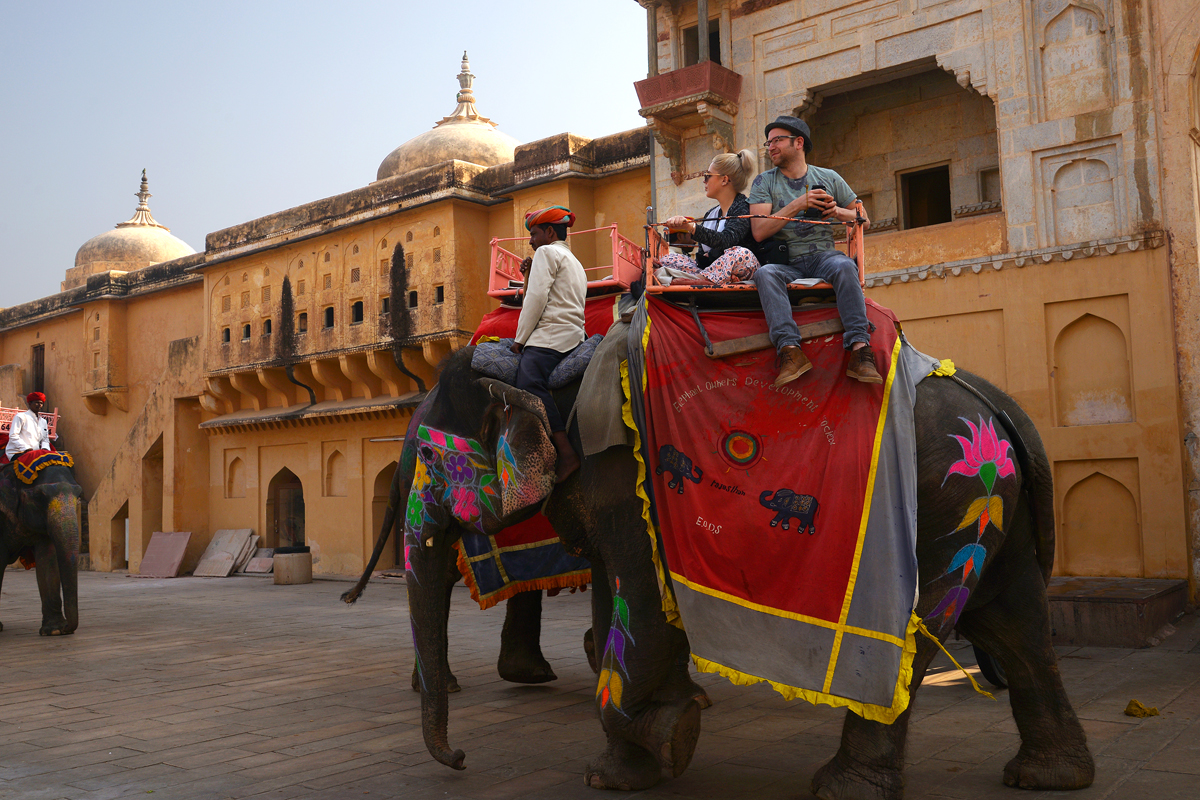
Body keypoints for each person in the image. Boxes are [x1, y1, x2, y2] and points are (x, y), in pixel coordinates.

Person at [748, 115, 882, 387]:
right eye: (768, 142)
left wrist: (837, 211)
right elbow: (759, 230)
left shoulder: (828, 177)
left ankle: (860, 350)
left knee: (845, 265)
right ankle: (790, 351)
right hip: (786, 260)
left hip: (824, 257)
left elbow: (863, 219)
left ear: (798, 143)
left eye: (777, 140)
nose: (770, 147)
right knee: (765, 274)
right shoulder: (764, 182)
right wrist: (799, 203)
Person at [510, 205, 585, 482]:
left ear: (550, 232)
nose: (530, 241)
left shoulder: (546, 252)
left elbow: (536, 299)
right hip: (573, 335)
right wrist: (530, 273)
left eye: (534, 233)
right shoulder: (574, 260)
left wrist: (519, 340)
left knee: (528, 382)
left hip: (551, 338)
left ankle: (565, 453)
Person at [660, 150, 761, 286]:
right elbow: (703, 254)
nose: (704, 181)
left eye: (707, 176)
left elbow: (727, 240)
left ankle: (699, 279)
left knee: (740, 254)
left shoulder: (743, 207)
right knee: (670, 258)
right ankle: (700, 278)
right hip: (712, 270)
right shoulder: (710, 214)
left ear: (724, 179)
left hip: (741, 266)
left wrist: (691, 227)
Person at [7, 392, 50, 461]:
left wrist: (45, 449)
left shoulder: (43, 421)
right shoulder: (21, 416)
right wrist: (26, 448)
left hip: (36, 453)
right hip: (18, 452)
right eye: (37, 402)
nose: (39, 405)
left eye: (41, 403)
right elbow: (13, 435)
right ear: (30, 404)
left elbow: (45, 439)